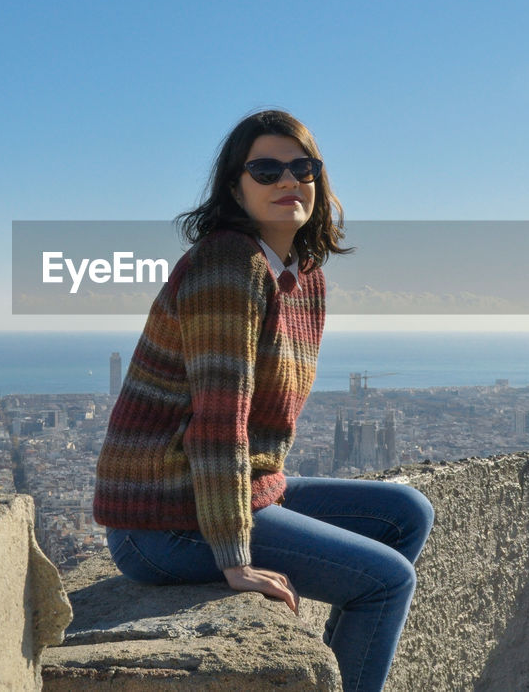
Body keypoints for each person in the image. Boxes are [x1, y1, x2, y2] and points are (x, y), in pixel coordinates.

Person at [93, 109, 434, 692]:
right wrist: (237, 560)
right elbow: (219, 424)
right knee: (387, 580)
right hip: (163, 523)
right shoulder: (230, 263)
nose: (287, 181)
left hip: (226, 496)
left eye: (302, 167)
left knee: (405, 513)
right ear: (235, 186)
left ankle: (338, 665)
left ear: (318, 181)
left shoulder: (305, 277)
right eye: (266, 169)